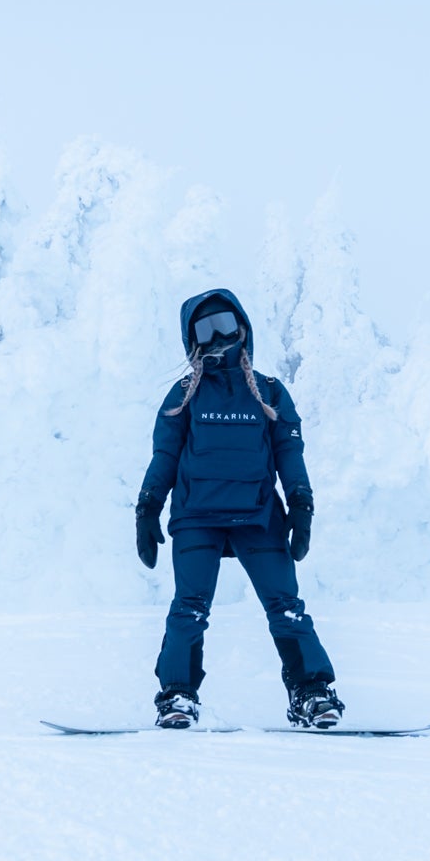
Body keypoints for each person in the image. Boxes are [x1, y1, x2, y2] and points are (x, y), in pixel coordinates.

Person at [134, 289, 344, 730]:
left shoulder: (268, 392)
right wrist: (148, 504)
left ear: (244, 328)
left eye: (226, 325)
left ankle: (312, 693)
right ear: (191, 339)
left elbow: (290, 453)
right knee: (189, 609)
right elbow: (165, 455)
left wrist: (301, 503)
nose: (218, 338)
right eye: (205, 330)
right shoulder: (183, 395)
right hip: (196, 517)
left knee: (286, 607)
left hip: (259, 516)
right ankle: (177, 696)